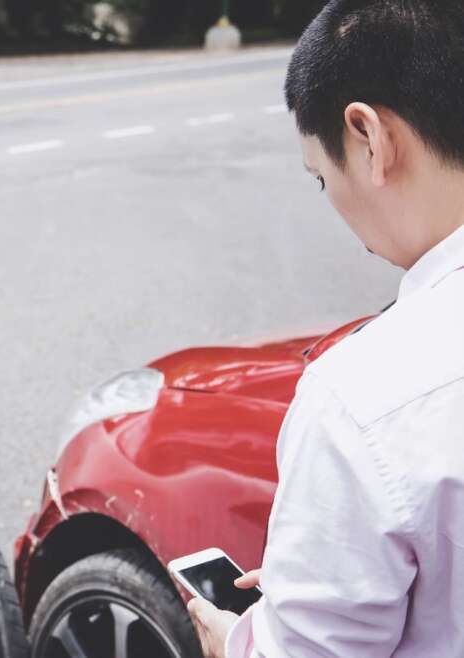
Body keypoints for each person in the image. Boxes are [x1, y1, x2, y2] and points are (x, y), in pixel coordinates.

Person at [187, 0, 464, 656]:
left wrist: (237, 642)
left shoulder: (362, 398)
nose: (333, 202)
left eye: (320, 178)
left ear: (369, 138)